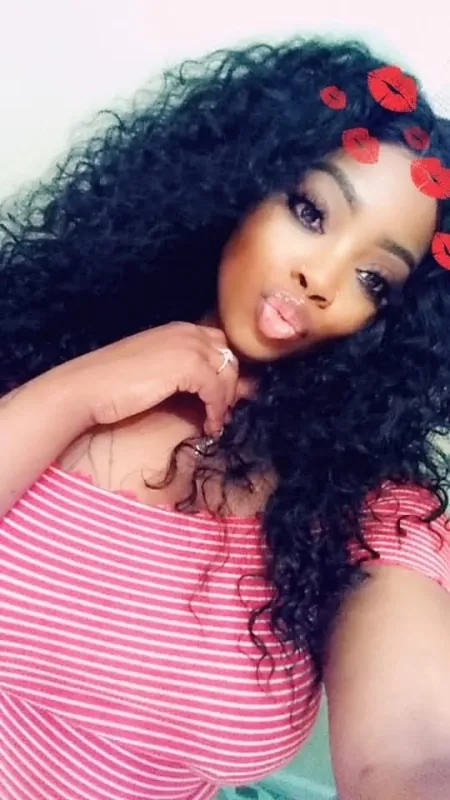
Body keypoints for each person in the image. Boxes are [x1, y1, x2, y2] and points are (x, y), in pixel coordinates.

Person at [1, 35, 450, 800]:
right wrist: (77, 392)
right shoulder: (34, 339)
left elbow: (415, 751)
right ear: (236, 184)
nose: (320, 277)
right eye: (310, 210)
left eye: (374, 278)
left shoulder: (365, 507)